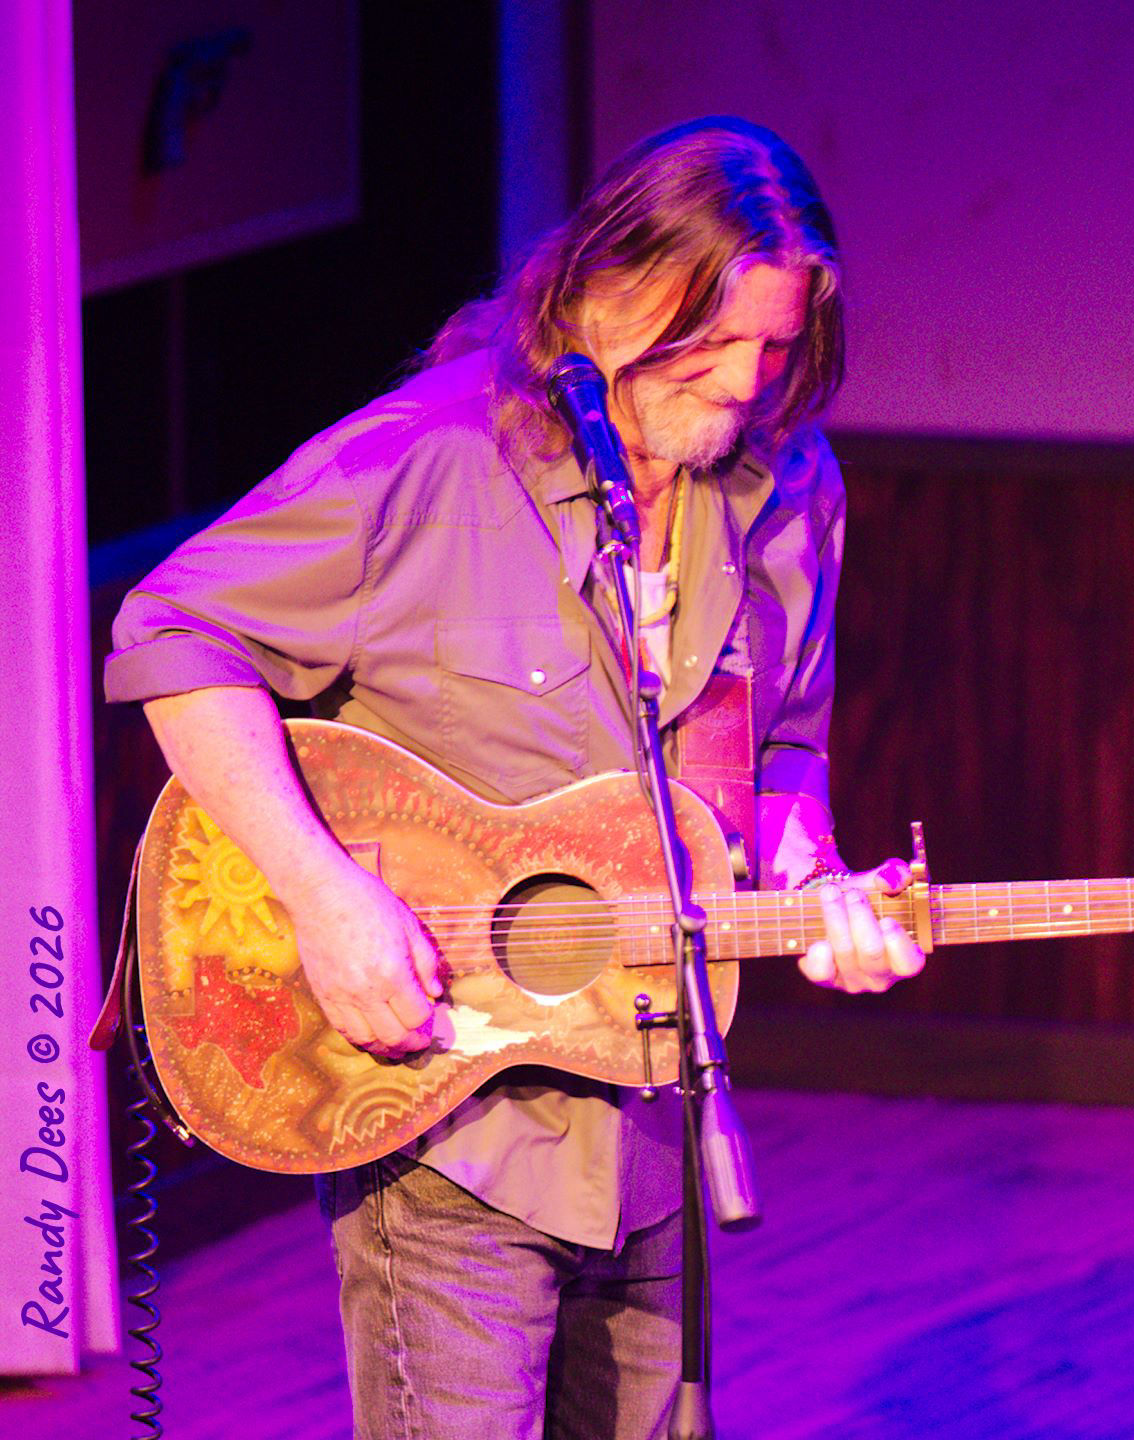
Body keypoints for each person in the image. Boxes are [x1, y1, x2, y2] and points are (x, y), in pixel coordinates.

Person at [104, 116, 925, 1439]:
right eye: (706, 343)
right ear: (604, 293)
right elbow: (172, 637)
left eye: (774, 349)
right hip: (448, 1113)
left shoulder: (790, 487)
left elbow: (779, 754)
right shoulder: (429, 459)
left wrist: (812, 881)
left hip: (660, 1101)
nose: (741, 383)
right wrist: (323, 896)